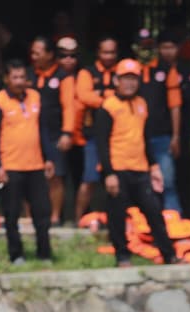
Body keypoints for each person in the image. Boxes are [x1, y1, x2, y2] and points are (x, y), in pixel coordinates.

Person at [93, 58, 177, 266]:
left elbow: (145, 139)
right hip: (118, 168)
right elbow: (101, 143)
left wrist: (154, 166)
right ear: (116, 80)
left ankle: (169, 255)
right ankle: (122, 256)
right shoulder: (108, 107)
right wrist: (109, 173)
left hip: (140, 168)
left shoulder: (141, 104)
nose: (130, 83)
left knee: (154, 211)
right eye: (125, 79)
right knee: (117, 215)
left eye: (134, 79)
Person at [0, 59, 55, 264]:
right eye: (14, 77)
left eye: (22, 77)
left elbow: (43, 130)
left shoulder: (35, 97)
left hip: (35, 165)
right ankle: (16, 254)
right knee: (11, 214)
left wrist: (49, 158)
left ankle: (44, 253)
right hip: (11, 166)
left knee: (42, 212)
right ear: (6, 79)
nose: (19, 82)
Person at [136, 29, 184, 213]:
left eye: (149, 45)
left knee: (167, 182)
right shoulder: (129, 69)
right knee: (139, 184)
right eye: (142, 45)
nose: (145, 49)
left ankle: (174, 222)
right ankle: (140, 223)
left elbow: (175, 105)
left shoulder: (166, 69)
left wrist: (176, 136)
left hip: (162, 136)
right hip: (136, 138)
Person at [74, 36, 119, 223]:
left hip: (118, 136)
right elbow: (84, 96)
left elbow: (129, 93)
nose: (109, 56)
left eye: (112, 52)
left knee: (120, 179)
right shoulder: (87, 72)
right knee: (89, 178)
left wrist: (100, 95)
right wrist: (111, 100)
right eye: (105, 52)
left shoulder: (122, 71)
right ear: (98, 53)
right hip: (93, 134)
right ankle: (77, 221)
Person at [28, 36, 71, 225]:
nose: (34, 56)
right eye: (32, 53)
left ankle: (54, 217)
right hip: (31, 134)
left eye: (37, 53)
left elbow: (69, 107)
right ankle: (29, 217)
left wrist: (67, 133)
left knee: (55, 176)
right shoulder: (28, 75)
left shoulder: (63, 77)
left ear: (50, 54)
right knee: (29, 176)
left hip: (55, 134)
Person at [54, 37, 83, 223]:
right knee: (58, 178)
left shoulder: (84, 75)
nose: (68, 60)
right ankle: (59, 219)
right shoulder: (53, 77)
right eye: (64, 56)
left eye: (73, 56)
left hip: (81, 137)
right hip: (59, 137)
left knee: (81, 178)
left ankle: (83, 219)